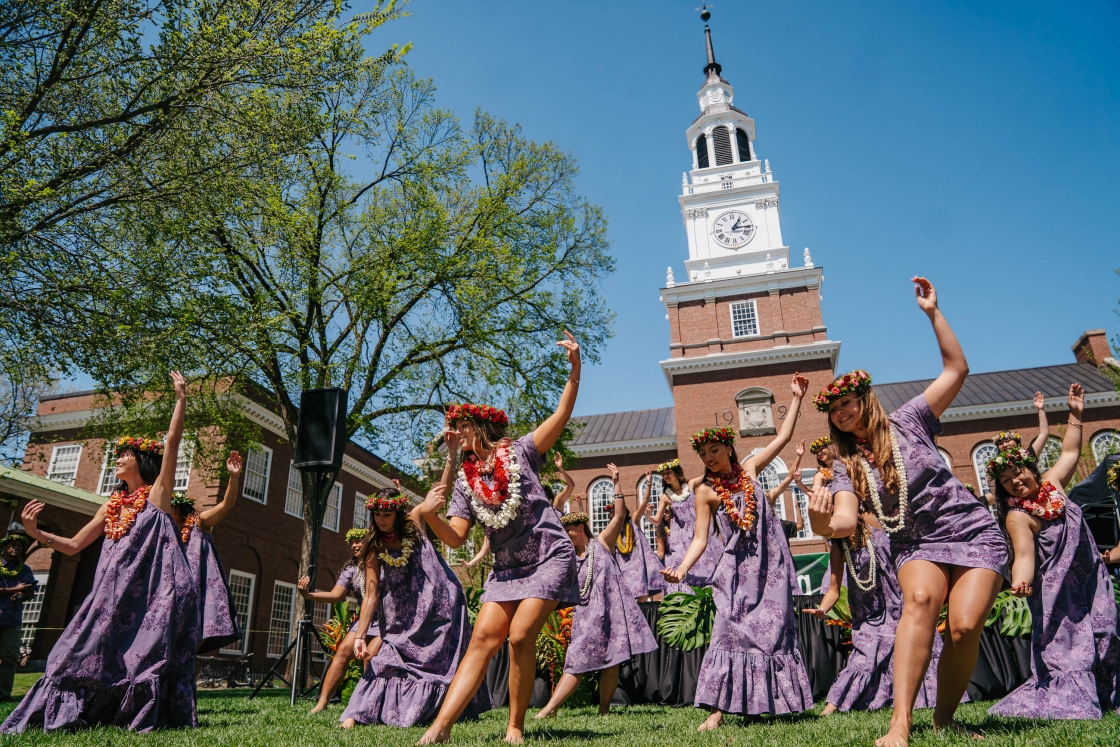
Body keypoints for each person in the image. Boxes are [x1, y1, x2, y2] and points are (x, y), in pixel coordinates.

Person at [807, 277, 1009, 747]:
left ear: (864, 400)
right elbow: (841, 522)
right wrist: (818, 519)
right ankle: (900, 724)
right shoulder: (845, 465)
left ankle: (944, 718)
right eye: (833, 410)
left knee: (962, 627)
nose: (841, 413)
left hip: (971, 530)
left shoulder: (910, 420)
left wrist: (933, 313)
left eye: (847, 403)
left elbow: (957, 369)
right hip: (914, 542)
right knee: (918, 603)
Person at [2, 372, 199, 733]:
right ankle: (69, 713)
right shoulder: (110, 505)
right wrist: (36, 533)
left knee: (141, 659)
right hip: (108, 595)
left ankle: (133, 716)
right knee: (72, 652)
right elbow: (75, 545)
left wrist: (181, 399)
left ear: (140, 461)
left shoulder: (157, 496)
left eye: (124, 454)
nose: (118, 458)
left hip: (150, 600)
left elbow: (172, 442)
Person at [417, 331, 582, 745]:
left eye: (457, 428)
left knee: (521, 634)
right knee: (483, 640)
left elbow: (561, 415)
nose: (451, 435)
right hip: (507, 569)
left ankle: (515, 727)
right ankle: (440, 729)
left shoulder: (522, 451)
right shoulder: (462, 484)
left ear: (476, 426)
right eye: (450, 432)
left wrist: (575, 369)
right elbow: (455, 540)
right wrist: (427, 514)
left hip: (548, 554)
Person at [662, 372, 813, 731]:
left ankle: (770, 703)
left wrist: (796, 398)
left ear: (728, 448)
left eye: (714, 450)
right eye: (703, 454)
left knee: (773, 633)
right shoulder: (705, 492)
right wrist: (682, 568)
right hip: (736, 571)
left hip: (770, 567)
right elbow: (700, 539)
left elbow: (782, 437)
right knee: (728, 631)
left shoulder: (749, 469)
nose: (709, 457)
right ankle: (717, 711)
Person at [987, 383, 1120, 719]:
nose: (1015, 481)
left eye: (1017, 472)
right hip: (1058, 592)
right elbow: (1025, 555)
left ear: (1030, 468)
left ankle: (1109, 696)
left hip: (1091, 580)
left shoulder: (1053, 484)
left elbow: (1071, 453)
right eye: (1006, 480)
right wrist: (1020, 580)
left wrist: (1075, 415)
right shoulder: (1018, 516)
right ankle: (1072, 703)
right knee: (1070, 648)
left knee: (1107, 633)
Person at [341, 485, 489, 728]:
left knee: (437, 664)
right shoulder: (374, 545)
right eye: (377, 514)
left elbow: (438, 496)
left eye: (387, 515)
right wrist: (360, 635)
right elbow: (370, 592)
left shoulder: (414, 524)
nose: (381, 520)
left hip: (439, 608)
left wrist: (451, 455)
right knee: (385, 659)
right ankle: (354, 716)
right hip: (400, 614)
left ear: (398, 514)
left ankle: (435, 712)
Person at [802, 515, 942, 715]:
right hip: (868, 612)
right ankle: (833, 705)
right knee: (864, 656)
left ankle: (920, 699)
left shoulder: (876, 527)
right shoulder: (839, 549)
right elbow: (833, 590)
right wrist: (823, 610)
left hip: (898, 601)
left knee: (912, 644)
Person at [534, 497, 658, 718]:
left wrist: (617, 485)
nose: (565, 535)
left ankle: (604, 711)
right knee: (577, 662)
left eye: (568, 530)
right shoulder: (568, 558)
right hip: (586, 617)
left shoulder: (601, 543)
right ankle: (550, 709)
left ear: (580, 528)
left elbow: (619, 516)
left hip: (612, 612)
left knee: (612, 661)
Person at [297, 524, 381, 714]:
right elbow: (337, 595)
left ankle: (368, 707)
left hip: (386, 618)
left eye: (359, 540)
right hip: (364, 619)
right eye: (352, 542)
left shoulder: (382, 563)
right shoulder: (351, 569)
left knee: (370, 656)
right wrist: (309, 595)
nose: (355, 545)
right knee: (343, 650)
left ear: (370, 541)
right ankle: (322, 703)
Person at [171, 450, 244, 655]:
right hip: (169, 597)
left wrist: (233, 478)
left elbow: (225, 506)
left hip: (195, 599)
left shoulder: (198, 523)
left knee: (189, 651)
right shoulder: (162, 533)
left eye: (171, 508)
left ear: (181, 510)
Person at [611, 465, 666, 602]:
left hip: (638, 566)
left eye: (616, 510)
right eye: (611, 513)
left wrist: (648, 483)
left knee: (642, 598)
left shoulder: (633, 521)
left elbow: (645, 501)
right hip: (622, 567)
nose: (613, 514)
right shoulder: (611, 531)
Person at [0, 534, 37, 702]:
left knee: (9, 657)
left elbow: (30, 593)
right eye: (12, 544)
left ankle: (3, 694)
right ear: (4, 547)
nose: (16, 547)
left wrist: (22, 594)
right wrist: (14, 589)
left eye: (19, 546)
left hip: (13, 620)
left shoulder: (25, 570)